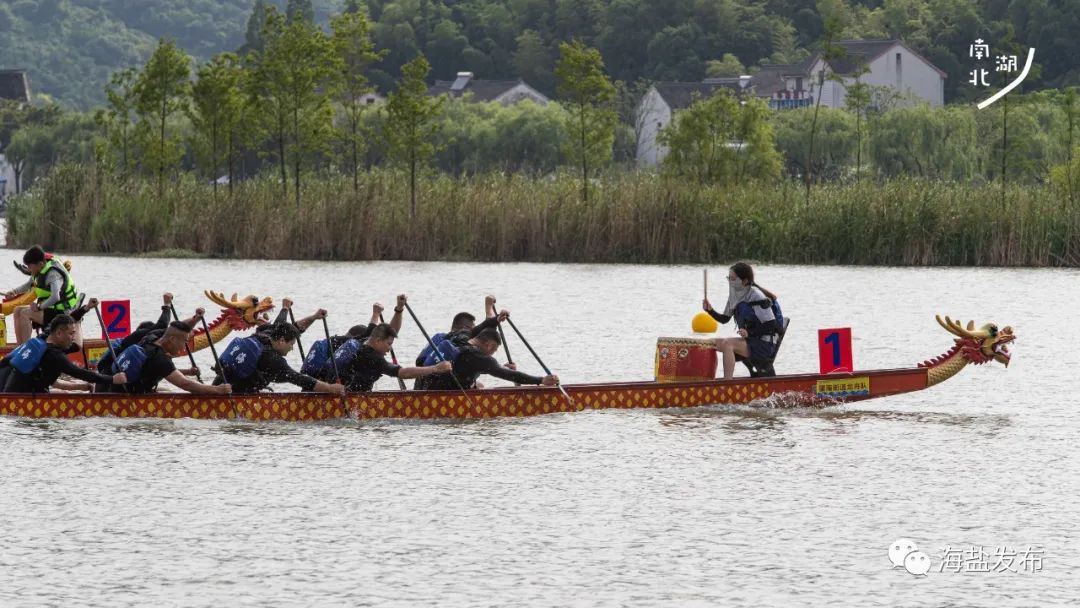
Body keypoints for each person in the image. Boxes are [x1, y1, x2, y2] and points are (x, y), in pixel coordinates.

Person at [100, 315, 231, 395]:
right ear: (172, 340)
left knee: (166, 391)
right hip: (126, 398)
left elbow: (175, 328)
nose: (184, 347)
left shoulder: (151, 337)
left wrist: (195, 319)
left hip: (110, 388)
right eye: (184, 342)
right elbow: (186, 385)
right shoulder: (160, 360)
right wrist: (217, 390)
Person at [0, 314, 126, 393]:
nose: (73, 338)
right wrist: (112, 379)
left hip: (9, 392)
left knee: (60, 392)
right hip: (20, 401)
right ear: (59, 333)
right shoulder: (54, 356)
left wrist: (82, 387)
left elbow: (53, 382)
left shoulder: (40, 342)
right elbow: (81, 373)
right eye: (71, 334)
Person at [212, 320, 345, 396]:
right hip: (228, 396)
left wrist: (313, 317)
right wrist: (330, 388)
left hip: (219, 384)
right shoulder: (272, 360)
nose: (292, 348)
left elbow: (285, 324)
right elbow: (299, 378)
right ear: (281, 340)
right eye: (291, 344)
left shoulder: (263, 335)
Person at [702, 262, 781, 380]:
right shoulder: (734, 296)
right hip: (750, 341)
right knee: (709, 343)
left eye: (733, 278)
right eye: (729, 278)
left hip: (764, 345)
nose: (730, 281)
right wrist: (710, 310)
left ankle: (727, 383)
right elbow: (725, 319)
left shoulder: (756, 295)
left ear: (744, 281)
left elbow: (770, 324)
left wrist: (750, 332)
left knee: (727, 344)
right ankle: (705, 379)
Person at [303, 296, 407, 381]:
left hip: (316, 371)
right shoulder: (358, 344)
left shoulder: (352, 342)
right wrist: (397, 309)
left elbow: (386, 331)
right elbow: (387, 331)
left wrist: (377, 313)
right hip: (321, 369)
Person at [423, 327, 558, 391]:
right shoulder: (477, 356)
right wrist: (540, 380)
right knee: (479, 386)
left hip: (424, 389)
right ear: (489, 345)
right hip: (443, 398)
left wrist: (502, 367)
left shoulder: (460, 339)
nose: (492, 354)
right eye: (494, 350)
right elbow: (507, 375)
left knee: (480, 385)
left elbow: (466, 366)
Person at [96, 293, 199, 376]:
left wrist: (196, 319)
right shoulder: (143, 340)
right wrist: (167, 305)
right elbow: (163, 325)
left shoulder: (144, 350)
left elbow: (160, 371)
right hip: (111, 377)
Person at [331, 323, 451, 392]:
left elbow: (390, 328)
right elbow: (403, 373)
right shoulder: (372, 358)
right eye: (389, 344)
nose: (390, 349)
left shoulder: (363, 341)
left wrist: (399, 309)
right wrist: (435, 368)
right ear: (378, 341)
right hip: (351, 399)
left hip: (342, 390)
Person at [4, 246, 81, 344]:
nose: (28, 270)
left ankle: (27, 349)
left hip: (64, 312)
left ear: (40, 264)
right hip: (52, 309)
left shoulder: (53, 274)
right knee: (17, 310)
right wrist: (14, 291)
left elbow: (55, 297)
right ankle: (21, 347)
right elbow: (29, 284)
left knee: (24, 313)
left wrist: (39, 307)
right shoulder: (39, 269)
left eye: (30, 266)